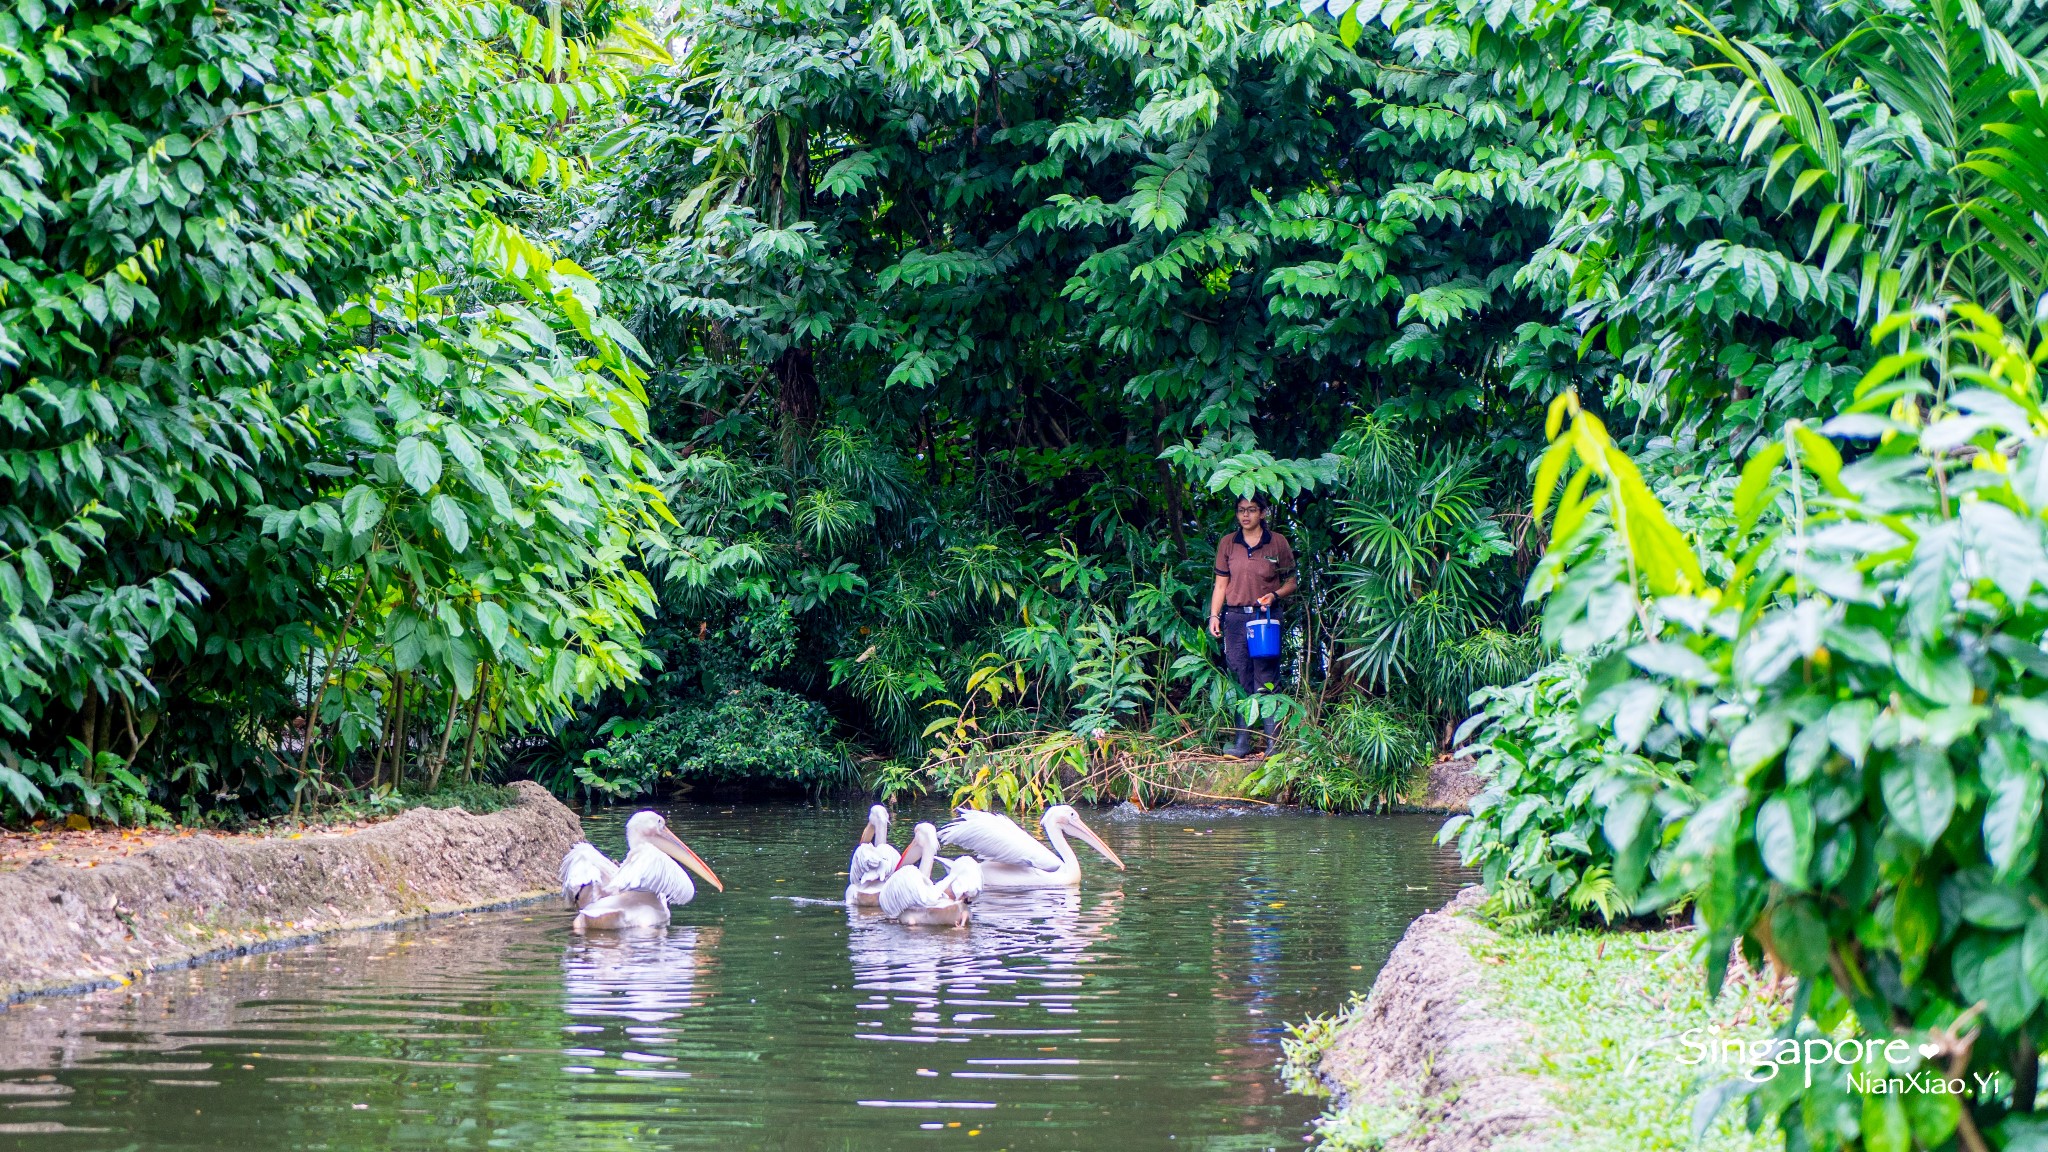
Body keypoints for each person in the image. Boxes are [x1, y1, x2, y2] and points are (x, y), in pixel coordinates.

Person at [1207, 494, 1298, 757]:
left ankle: (1273, 744)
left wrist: (1275, 596)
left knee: (1267, 677)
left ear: (1263, 513)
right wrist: (1215, 616)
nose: (1246, 515)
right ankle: (1242, 744)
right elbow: (1220, 584)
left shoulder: (1277, 542)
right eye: (1241, 510)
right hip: (1235, 617)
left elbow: (1291, 581)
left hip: (1265, 617)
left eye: (1252, 510)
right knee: (1241, 676)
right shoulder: (1228, 543)